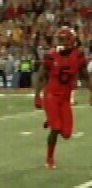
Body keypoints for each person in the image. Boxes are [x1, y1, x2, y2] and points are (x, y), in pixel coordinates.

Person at [34, 26, 92, 169]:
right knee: (56, 128)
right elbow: (41, 77)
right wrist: (37, 96)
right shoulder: (51, 56)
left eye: (62, 39)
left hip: (65, 98)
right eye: (58, 39)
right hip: (51, 95)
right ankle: (49, 158)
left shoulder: (78, 56)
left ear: (71, 40)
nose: (59, 42)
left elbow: (85, 76)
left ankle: (52, 119)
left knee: (66, 134)